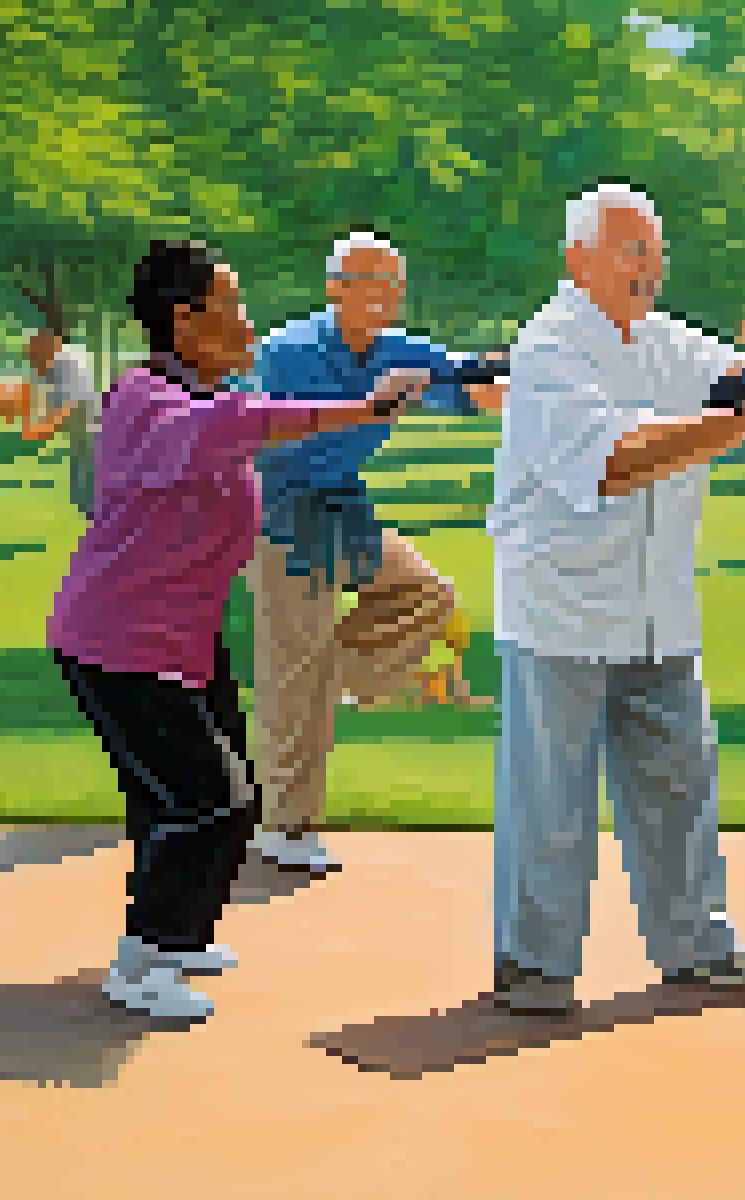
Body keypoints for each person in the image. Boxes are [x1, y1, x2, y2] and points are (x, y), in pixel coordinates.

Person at [47, 240, 426, 1019]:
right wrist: (363, 409)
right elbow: (233, 427)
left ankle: (175, 938)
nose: (249, 324)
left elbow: (235, 422)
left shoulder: (197, 393)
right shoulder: (147, 398)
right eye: (232, 306)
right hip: (120, 642)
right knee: (208, 802)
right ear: (185, 322)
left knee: (206, 799)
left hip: (182, 638)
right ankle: (142, 959)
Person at [484, 183, 745, 1015]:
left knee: (681, 784)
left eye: (654, 248)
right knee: (552, 799)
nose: (650, 264)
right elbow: (613, 462)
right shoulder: (549, 351)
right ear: (579, 260)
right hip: (560, 608)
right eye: (630, 247)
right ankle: (535, 964)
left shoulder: (665, 342)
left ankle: (697, 947)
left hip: (656, 606)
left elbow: (738, 380)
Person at [243, 231, 487, 875]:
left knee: (425, 593)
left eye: (395, 284)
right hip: (279, 512)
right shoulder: (283, 351)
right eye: (372, 281)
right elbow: (245, 429)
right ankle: (288, 831)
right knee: (295, 671)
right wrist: (365, 407)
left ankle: (332, 684)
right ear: (335, 287)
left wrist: (522, 364)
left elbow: (469, 384)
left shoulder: (403, 352)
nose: (387, 295)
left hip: (343, 505)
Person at [23, 326, 99, 517]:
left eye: (33, 351)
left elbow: (72, 403)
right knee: (79, 458)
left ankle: (90, 505)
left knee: (87, 458)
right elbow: (38, 397)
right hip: (75, 416)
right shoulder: (46, 364)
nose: (31, 357)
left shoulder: (69, 364)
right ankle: (83, 503)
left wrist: (46, 427)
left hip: (85, 414)